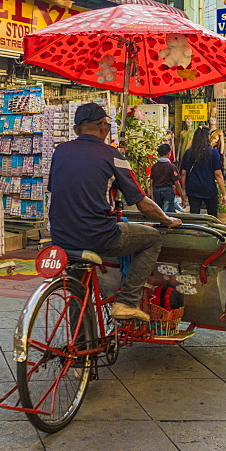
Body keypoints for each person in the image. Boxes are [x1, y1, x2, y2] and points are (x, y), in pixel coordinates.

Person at [48, 102, 181, 322]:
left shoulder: (60, 151)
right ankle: (127, 301)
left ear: (76, 130)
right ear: (102, 126)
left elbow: (57, 189)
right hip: (98, 235)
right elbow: (142, 203)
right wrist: (166, 219)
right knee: (153, 239)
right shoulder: (112, 154)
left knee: (77, 291)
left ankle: (80, 352)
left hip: (61, 237)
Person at [180, 127, 226, 217]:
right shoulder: (213, 153)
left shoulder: (188, 153)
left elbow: (183, 173)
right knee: (212, 215)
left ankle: (195, 230)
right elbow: (218, 174)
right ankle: (211, 230)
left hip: (192, 187)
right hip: (209, 188)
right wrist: (223, 193)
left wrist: (183, 189)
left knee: (194, 215)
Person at [150, 143, 185, 212]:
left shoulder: (155, 166)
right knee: (168, 213)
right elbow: (176, 183)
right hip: (167, 191)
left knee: (159, 212)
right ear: (169, 153)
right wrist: (182, 197)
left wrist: (152, 198)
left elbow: (151, 183)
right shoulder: (171, 167)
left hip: (157, 191)